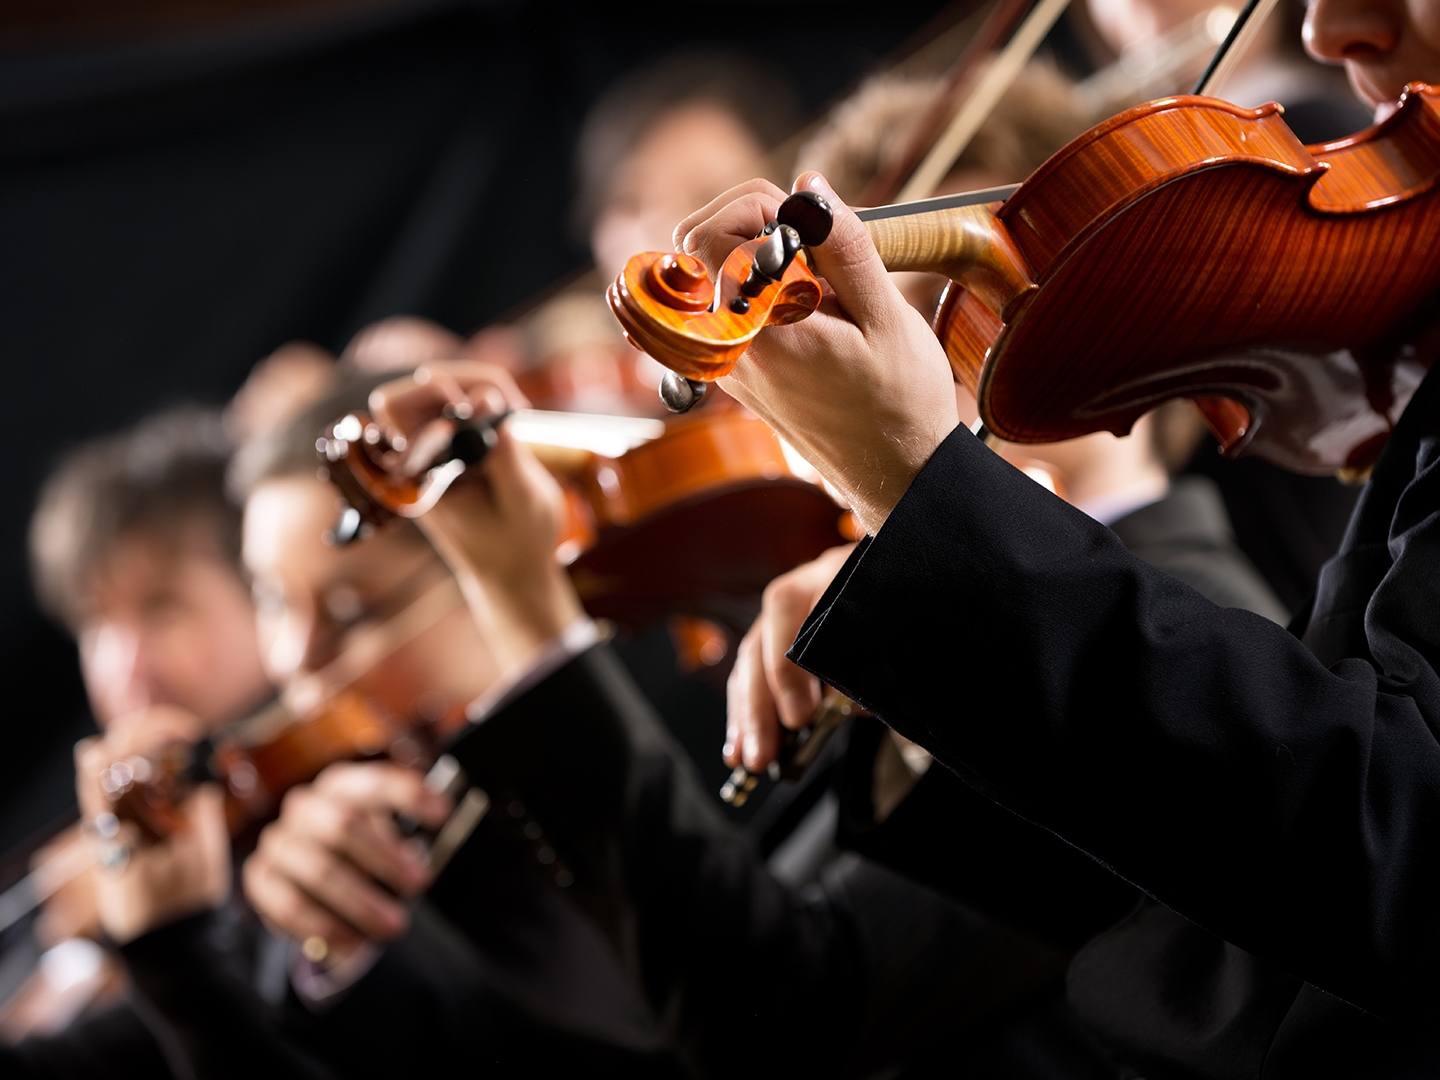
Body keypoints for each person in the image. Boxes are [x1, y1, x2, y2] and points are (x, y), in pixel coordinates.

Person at [670, 0, 1440, 1073]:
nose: (1327, 28)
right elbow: (1223, 935)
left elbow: (1402, 854)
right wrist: (941, 626)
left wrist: (927, 509)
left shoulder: (1197, 583)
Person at [237, 364, 1095, 1077]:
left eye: (350, 610)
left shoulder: (701, 696)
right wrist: (329, 939)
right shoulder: (445, 801)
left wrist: (530, 620)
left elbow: (761, 1017)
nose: (290, 662)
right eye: (271, 602)